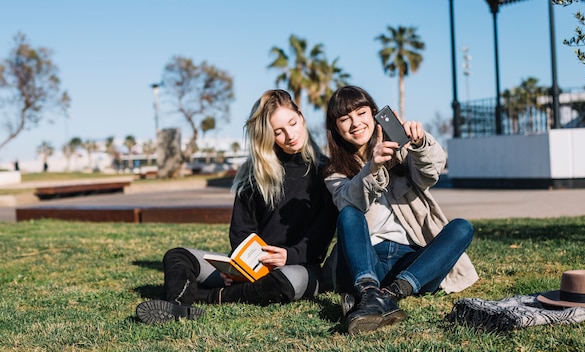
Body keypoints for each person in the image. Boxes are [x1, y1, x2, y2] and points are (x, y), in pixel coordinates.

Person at [136, 89, 338, 324]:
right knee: (178, 256)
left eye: (293, 123)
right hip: (251, 267)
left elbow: (321, 236)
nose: (290, 135)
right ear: (267, 136)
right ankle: (178, 306)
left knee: (287, 282)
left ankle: (209, 296)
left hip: (297, 267)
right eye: (278, 132)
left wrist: (288, 256)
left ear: (301, 117)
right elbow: (241, 231)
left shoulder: (327, 172)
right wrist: (238, 267)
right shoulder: (256, 174)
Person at [324, 86, 479, 334]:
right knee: (349, 213)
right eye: (344, 119)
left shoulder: (403, 150)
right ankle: (370, 290)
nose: (355, 123)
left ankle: (387, 294)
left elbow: (431, 174)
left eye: (361, 113)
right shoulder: (335, 172)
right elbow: (349, 203)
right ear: (336, 129)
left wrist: (421, 143)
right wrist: (372, 168)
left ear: (374, 114)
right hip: (365, 262)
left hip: (413, 262)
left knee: (461, 227)